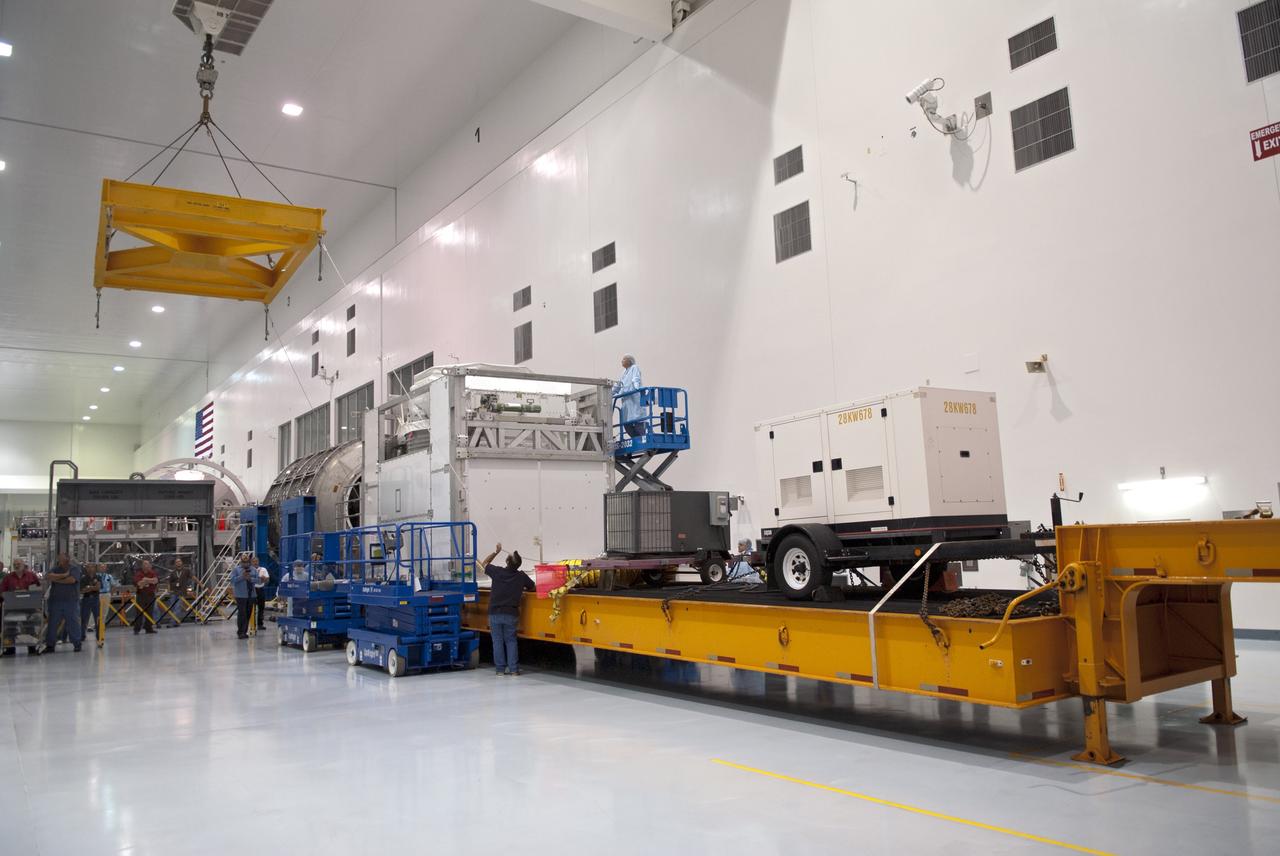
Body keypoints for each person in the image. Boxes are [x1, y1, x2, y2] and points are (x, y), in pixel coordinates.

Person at [480, 542, 535, 676]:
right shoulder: (521, 576)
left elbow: (484, 563)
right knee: (511, 641)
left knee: (497, 641)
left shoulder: (497, 572)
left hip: (495, 612)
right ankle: (514, 670)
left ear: (507, 561)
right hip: (511, 613)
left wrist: (496, 551)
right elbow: (532, 587)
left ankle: (500, 670)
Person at [44, 554, 84, 653]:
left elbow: (72, 580)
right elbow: (48, 576)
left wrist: (57, 580)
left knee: (73, 623)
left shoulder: (74, 569)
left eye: (63, 559)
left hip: (71, 601)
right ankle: (50, 645)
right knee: (52, 624)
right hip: (55, 601)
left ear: (68, 559)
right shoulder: (55, 569)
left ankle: (77, 643)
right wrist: (64, 575)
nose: (61, 561)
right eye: (59, 559)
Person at [0, 559, 41, 656]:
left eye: (18, 564)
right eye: (15, 564)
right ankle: (10, 648)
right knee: (10, 627)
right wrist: (11, 595)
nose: (16, 566)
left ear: (23, 565)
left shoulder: (31, 576)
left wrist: (27, 592)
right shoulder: (8, 578)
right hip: (12, 606)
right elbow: (2, 592)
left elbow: (38, 589)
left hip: (29, 606)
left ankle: (32, 646)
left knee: (30, 626)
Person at [612, 354, 645, 438]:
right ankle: (635, 439)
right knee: (626, 423)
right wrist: (609, 393)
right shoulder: (623, 372)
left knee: (638, 422)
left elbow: (636, 379)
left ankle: (643, 437)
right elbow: (618, 385)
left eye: (624, 359)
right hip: (626, 400)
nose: (622, 361)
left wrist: (636, 388)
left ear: (630, 361)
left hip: (634, 398)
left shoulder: (634, 367)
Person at [231, 554, 259, 639]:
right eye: (244, 561)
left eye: (247, 561)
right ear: (241, 561)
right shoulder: (236, 570)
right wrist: (242, 577)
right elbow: (233, 581)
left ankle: (245, 631)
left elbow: (258, 580)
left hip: (251, 595)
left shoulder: (253, 569)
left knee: (248, 613)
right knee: (242, 613)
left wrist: (251, 579)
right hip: (241, 595)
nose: (245, 562)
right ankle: (240, 632)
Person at [132, 560, 159, 635]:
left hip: (150, 595)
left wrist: (145, 580)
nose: (146, 565)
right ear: (142, 566)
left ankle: (148, 628)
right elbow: (139, 583)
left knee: (150, 612)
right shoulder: (138, 573)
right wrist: (149, 581)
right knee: (139, 613)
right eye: (145, 564)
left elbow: (155, 581)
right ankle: (136, 629)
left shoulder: (152, 573)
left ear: (150, 565)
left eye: (147, 564)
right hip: (141, 595)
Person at [80, 562, 103, 638]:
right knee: (84, 618)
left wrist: (89, 588)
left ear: (95, 568)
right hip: (86, 599)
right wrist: (92, 588)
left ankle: (98, 635)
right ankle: (82, 635)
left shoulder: (98, 577)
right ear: (86, 568)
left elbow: (98, 587)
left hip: (95, 599)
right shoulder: (83, 578)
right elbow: (82, 591)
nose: (90, 569)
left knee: (97, 617)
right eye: (88, 567)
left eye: (92, 567)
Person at [253, 563, 269, 630]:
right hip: (253, 589)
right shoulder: (250, 570)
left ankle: (260, 624)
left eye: (256, 561)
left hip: (261, 589)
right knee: (252, 608)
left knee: (261, 607)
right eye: (253, 561)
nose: (255, 562)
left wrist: (264, 579)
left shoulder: (263, 569)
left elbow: (267, 580)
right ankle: (252, 624)